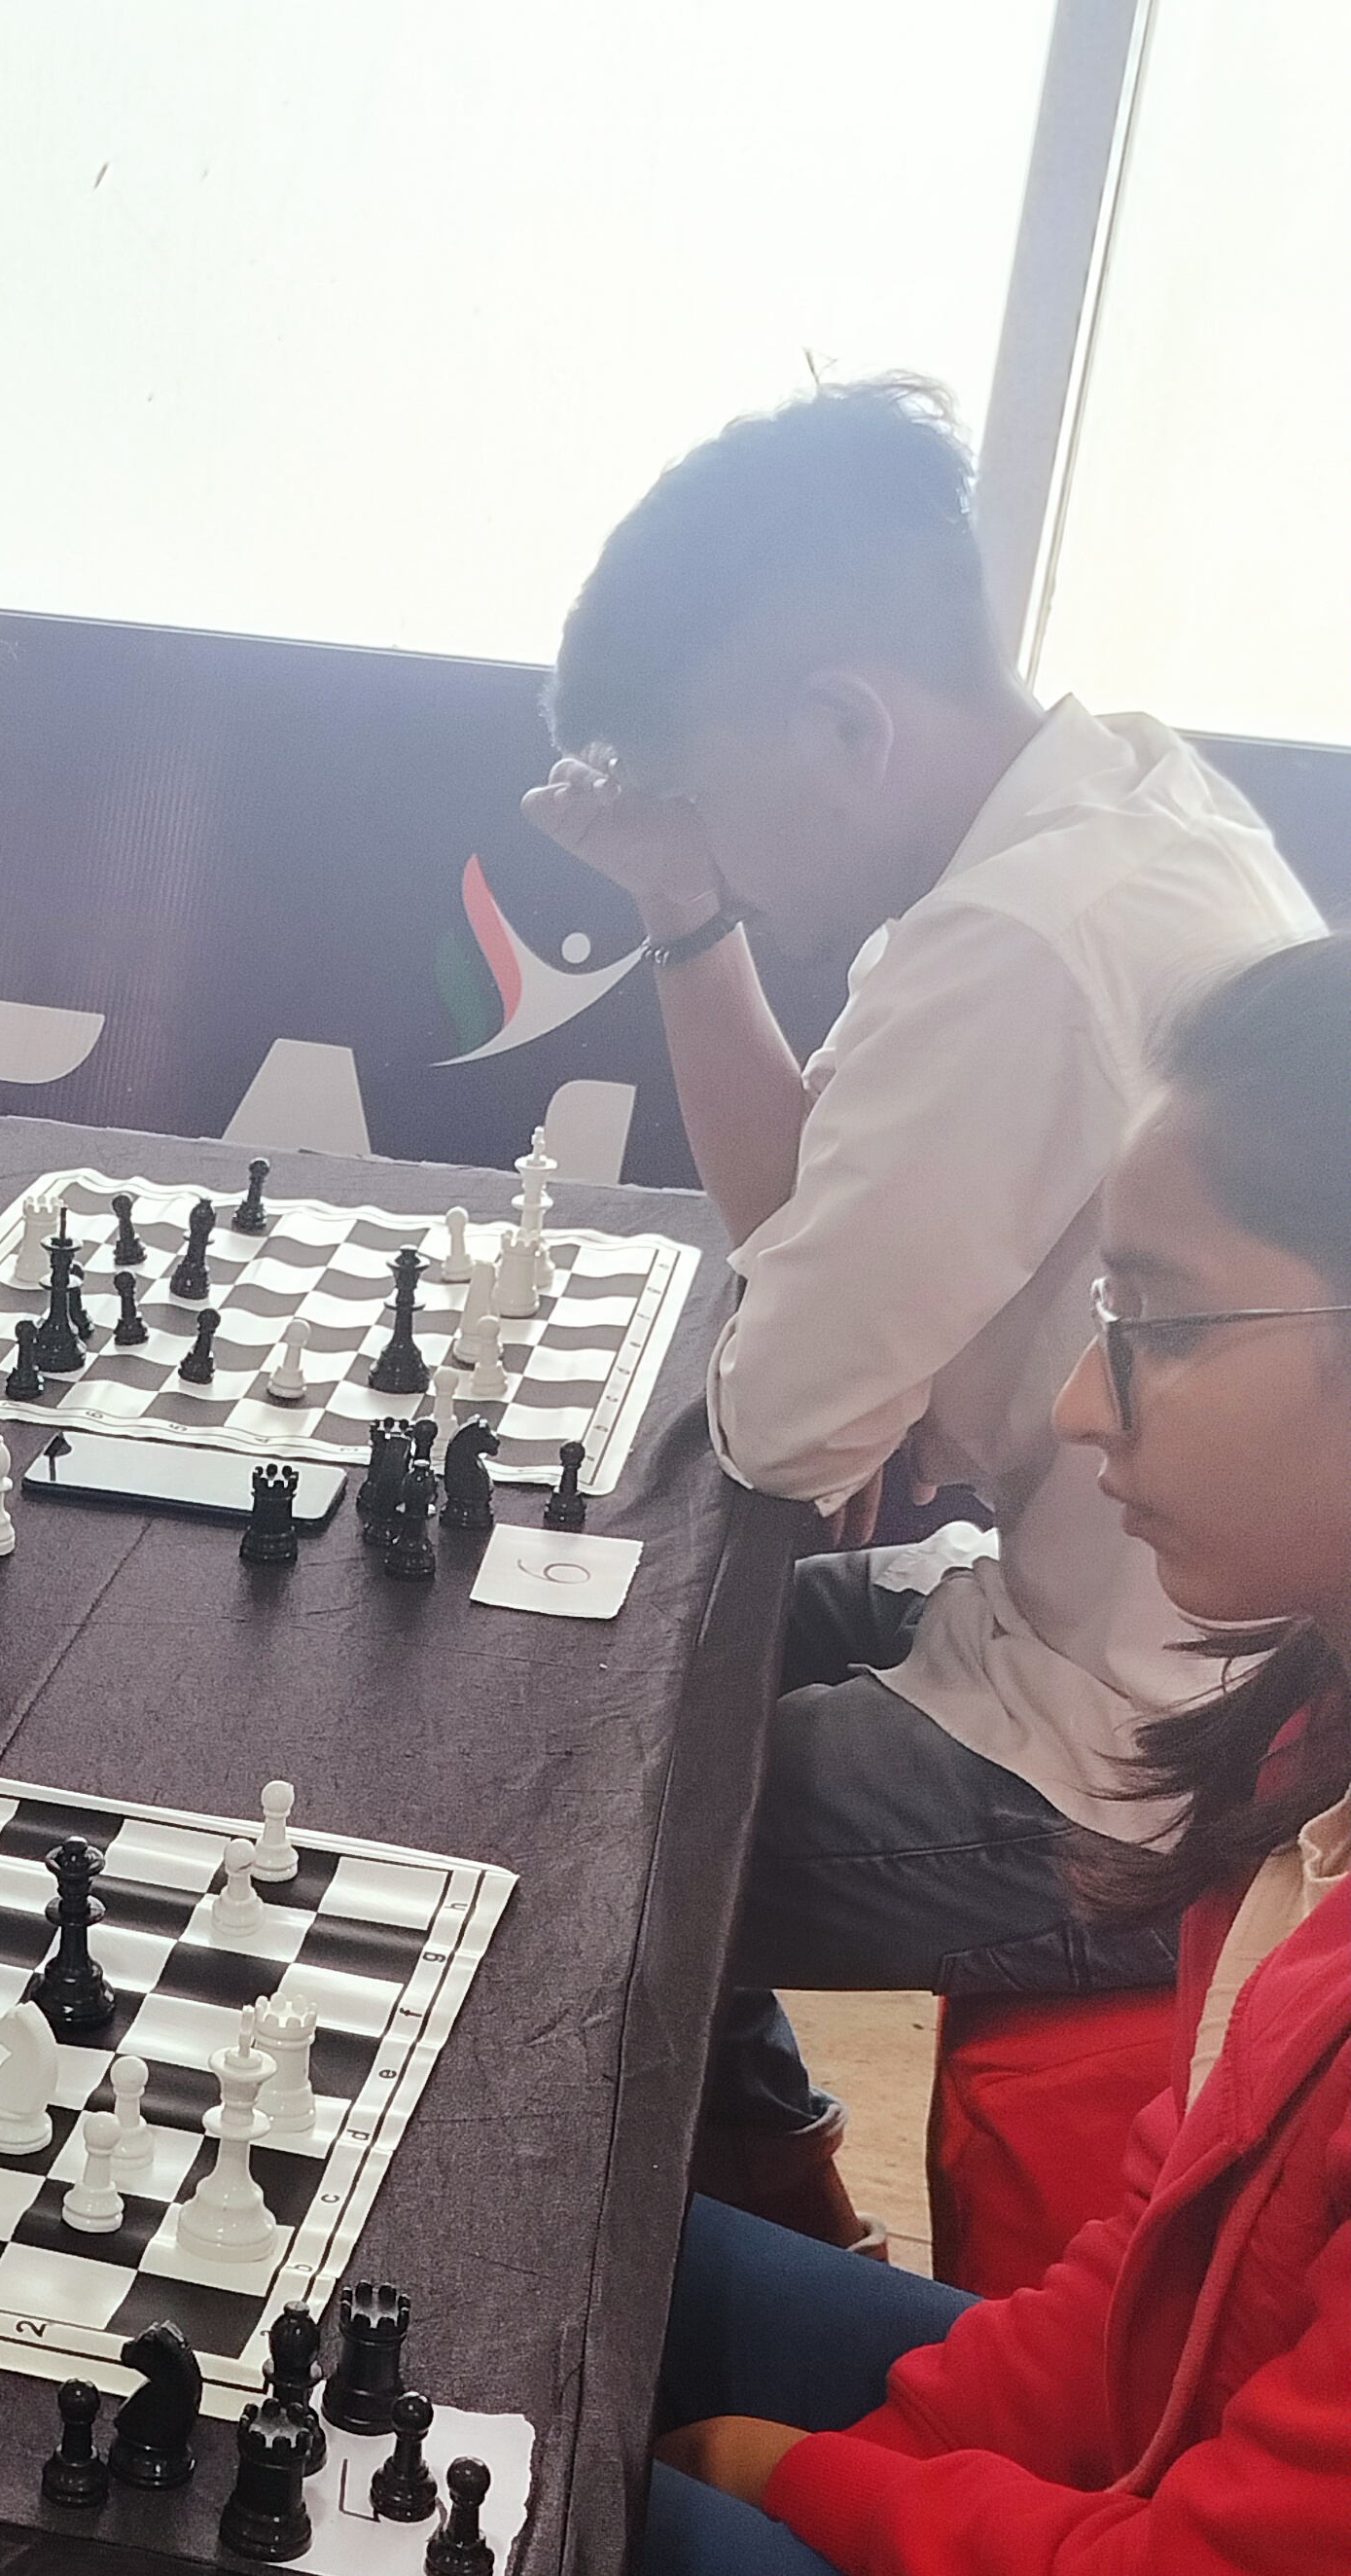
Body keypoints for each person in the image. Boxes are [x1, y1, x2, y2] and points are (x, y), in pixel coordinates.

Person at [619, 933, 1351, 2576]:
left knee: (519, 2567)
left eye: (1155, 1313)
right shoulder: (1307, 1756)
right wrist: (874, 2466)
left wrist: (805, 2493)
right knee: (580, 2276)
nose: (1075, 1412)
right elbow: (1126, 2310)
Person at [528, 380, 1318, 2249]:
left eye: (714, 809)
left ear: (844, 727)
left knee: (560, 1816)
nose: (728, 859)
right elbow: (807, 1248)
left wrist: (812, 1341)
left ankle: (685, 2275)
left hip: (1116, 1761)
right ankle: (792, 2186)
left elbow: (785, 1421)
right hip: (1096, 1637)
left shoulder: (1019, 944)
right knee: (591, 1656)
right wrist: (686, 898)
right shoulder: (1124, 791)